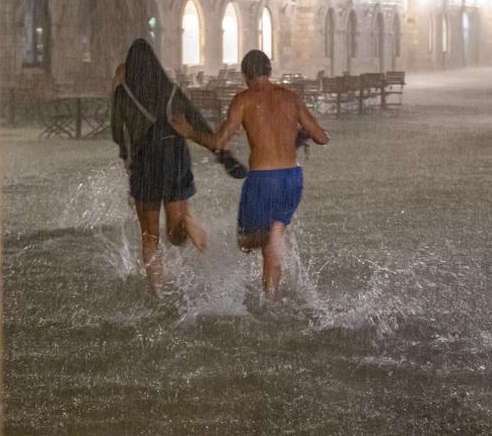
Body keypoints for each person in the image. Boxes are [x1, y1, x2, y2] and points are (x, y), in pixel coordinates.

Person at [171, 49, 329, 300]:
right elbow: (322, 137)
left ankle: (270, 274)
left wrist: (189, 132)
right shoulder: (291, 97)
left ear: (246, 75)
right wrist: (297, 134)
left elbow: (218, 142)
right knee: (272, 236)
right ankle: (271, 296)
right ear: (269, 71)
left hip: (263, 181)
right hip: (292, 179)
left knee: (248, 243)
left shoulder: (243, 100)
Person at [111, 54, 207, 297]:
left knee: (149, 236)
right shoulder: (168, 90)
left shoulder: (123, 90)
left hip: (145, 165)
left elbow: (120, 133)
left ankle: (157, 290)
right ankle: (186, 221)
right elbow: (189, 123)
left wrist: (128, 163)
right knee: (175, 235)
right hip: (174, 159)